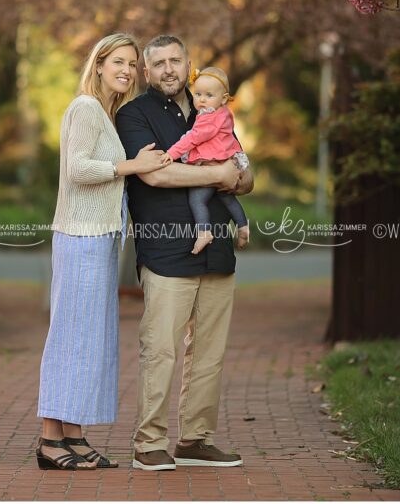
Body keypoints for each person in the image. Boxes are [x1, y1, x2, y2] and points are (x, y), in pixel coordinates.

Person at [115, 35, 254, 471]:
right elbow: (155, 175)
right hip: (165, 249)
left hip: (217, 249)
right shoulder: (133, 115)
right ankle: (149, 443)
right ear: (145, 71)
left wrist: (237, 172)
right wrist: (223, 173)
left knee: (209, 352)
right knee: (161, 349)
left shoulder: (209, 108)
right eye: (159, 63)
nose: (169, 69)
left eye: (176, 61)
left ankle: (195, 439)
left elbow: (246, 174)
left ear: (188, 65)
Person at [36, 33, 168, 470]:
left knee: (90, 342)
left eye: (132, 64)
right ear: (98, 64)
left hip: (100, 240)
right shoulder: (85, 108)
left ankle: (73, 435)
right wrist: (132, 165)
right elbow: (77, 170)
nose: (127, 71)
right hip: (81, 239)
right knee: (71, 339)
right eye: (119, 62)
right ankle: (49, 440)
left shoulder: (105, 115)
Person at [161, 66, 251, 254]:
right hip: (226, 161)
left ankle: (204, 232)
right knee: (227, 197)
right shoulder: (224, 113)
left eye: (209, 95)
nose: (202, 99)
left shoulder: (209, 118)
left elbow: (193, 138)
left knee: (196, 200)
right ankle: (242, 226)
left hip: (212, 163)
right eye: (198, 94)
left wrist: (171, 153)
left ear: (224, 99)